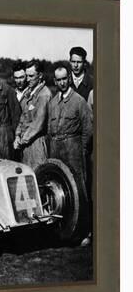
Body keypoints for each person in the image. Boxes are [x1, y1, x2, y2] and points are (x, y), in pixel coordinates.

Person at [48, 66, 93, 245]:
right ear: (55, 81)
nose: (62, 82)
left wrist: (80, 149)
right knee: (59, 190)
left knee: (79, 190)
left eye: (65, 78)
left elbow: (88, 129)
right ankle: (63, 232)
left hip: (73, 150)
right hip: (56, 149)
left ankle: (84, 233)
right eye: (58, 80)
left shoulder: (79, 101)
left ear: (69, 79)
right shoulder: (52, 103)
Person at [13, 60, 52, 169]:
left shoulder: (44, 94)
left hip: (37, 143)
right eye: (27, 76)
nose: (28, 79)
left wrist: (21, 140)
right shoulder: (29, 93)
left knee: (38, 175)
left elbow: (38, 124)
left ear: (40, 76)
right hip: (26, 143)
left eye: (31, 76)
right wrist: (17, 135)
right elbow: (23, 117)